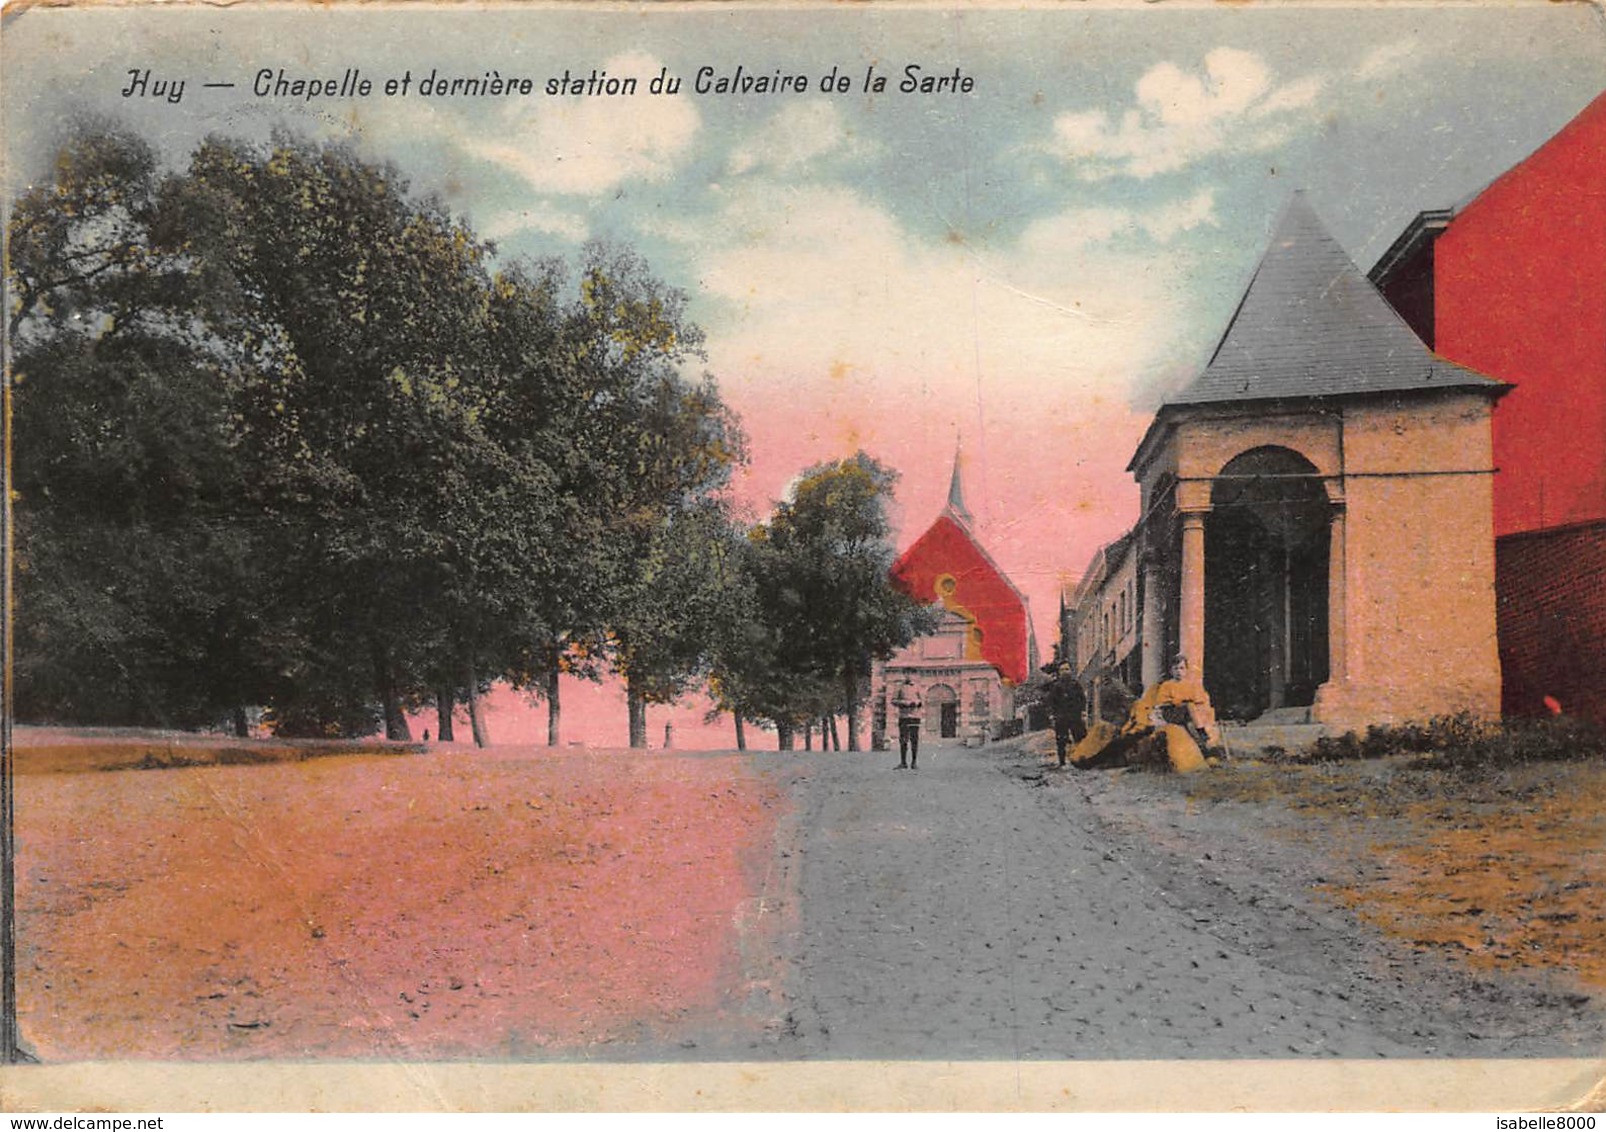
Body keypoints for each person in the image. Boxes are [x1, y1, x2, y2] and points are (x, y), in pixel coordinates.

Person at [1043, 661, 1088, 767]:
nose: (1065, 672)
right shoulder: (1056, 686)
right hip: (1061, 717)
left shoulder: (1075, 685)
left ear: (1071, 671)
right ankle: (1062, 762)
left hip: (1075, 716)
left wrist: (1082, 711)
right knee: (1061, 740)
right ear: (1059, 672)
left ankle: (1081, 760)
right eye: (1062, 670)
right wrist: (1052, 715)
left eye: (1067, 669)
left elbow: (1082, 699)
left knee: (1080, 738)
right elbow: (1051, 702)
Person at [893, 680, 924, 769]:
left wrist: (917, 702)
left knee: (914, 740)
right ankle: (903, 762)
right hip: (904, 716)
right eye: (906, 673)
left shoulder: (918, 687)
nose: (909, 676)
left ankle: (914, 762)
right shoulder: (899, 687)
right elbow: (893, 700)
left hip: (915, 716)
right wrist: (903, 702)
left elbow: (923, 700)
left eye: (911, 673)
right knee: (903, 740)